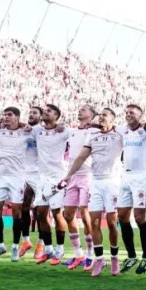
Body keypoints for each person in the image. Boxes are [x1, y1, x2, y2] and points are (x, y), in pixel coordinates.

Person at [60, 108, 124, 277]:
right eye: (100, 115)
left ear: (113, 118)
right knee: (94, 222)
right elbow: (81, 157)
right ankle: (99, 259)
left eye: (105, 115)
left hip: (112, 183)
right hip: (95, 182)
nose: (101, 117)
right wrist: (69, 175)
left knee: (111, 223)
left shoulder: (119, 134)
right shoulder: (92, 135)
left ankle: (115, 258)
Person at [115, 104, 146, 274]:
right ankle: (131, 255)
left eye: (132, 113)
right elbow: (107, 127)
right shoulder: (122, 130)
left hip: (141, 177)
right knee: (122, 216)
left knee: (139, 217)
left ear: (140, 116)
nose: (128, 115)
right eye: (127, 112)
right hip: (126, 176)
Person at [31, 103, 73, 266]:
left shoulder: (64, 131)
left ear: (56, 116)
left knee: (57, 213)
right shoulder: (37, 130)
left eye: (49, 111)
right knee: (41, 213)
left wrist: (62, 126)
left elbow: (80, 134)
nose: (45, 112)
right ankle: (48, 249)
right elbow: (23, 126)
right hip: (42, 177)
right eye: (44, 110)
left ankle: (60, 249)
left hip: (57, 177)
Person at [0, 107, 33, 262]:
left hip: (17, 177)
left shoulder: (25, 133)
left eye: (9, 115)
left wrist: (23, 124)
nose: (6, 117)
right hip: (0, 176)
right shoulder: (0, 131)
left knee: (16, 212)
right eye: (4, 114)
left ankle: (15, 246)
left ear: (17, 117)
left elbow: (36, 130)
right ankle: (0, 245)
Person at [61, 105, 98, 270]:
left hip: (87, 175)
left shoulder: (94, 130)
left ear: (92, 114)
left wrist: (95, 124)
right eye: (80, 109)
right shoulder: (72, 131)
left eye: (84, 109)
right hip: (72, 175)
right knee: (68, 215)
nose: (80, 111)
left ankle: (91, 254)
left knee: (85, 215)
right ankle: (78, 254)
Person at [21, 106, 42, 259]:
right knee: (22, 207)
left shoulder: (44, 131)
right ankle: (26, 241)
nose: (31, 115)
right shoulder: (23, 130)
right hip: (23, 172)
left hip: (40, 173)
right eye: (30, 112)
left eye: (35, 113)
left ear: (41, 116)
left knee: (41, 211)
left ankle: (41, 243)